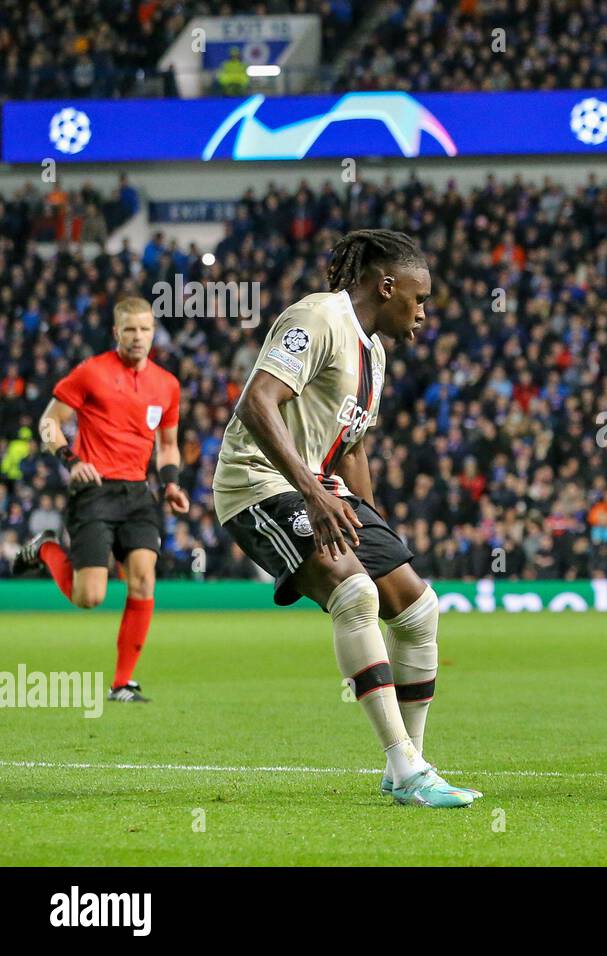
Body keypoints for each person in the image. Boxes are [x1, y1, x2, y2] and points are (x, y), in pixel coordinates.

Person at [212, 229, 479, 809]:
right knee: (355, 594)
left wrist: (374, 526)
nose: (423, 312)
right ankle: (407, 768)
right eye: (420, 298)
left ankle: (409, 765)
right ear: (387, 286)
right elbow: (256, 401)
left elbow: (353, 446)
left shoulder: (374, 354)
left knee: (415, 606)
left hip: (322, 487)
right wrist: (311, 491)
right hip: (258, 485)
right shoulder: (315, 318)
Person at [13, 298, 187, 702]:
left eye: (145, 329)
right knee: (88, 597)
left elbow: (168, 446)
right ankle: (45, 550)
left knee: (144, 580)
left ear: (153, 331)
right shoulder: (91, 373)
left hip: (137, 493)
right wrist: (69, 459)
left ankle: (122, 683)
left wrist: (172, 483)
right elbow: (48, 421)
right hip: (93, 490)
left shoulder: (167, 385)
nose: (138, 337)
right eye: (130, 330)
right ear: (116, 333)